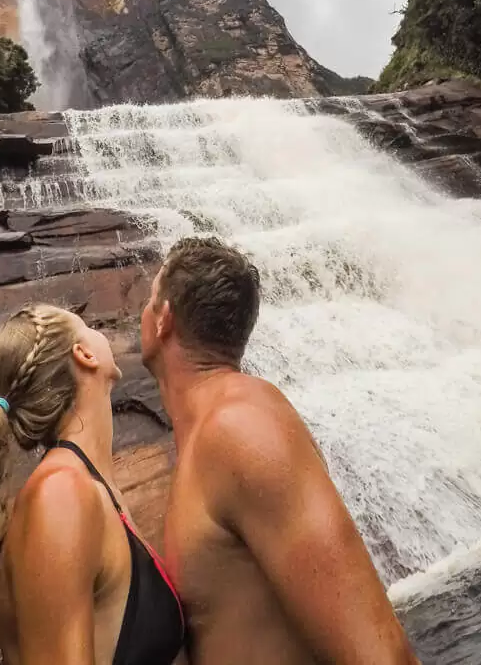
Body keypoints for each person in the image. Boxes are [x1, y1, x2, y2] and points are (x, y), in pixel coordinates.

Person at [141, 238, 420, 665]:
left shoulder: (241, 429)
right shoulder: (211, 434)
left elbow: (383, 655)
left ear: (163, 320)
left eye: (149, 299)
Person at [0, 303, 186, 665]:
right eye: (88, 325)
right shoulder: (60, 496)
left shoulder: (86, 487)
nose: (101, 329)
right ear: (84, 355)